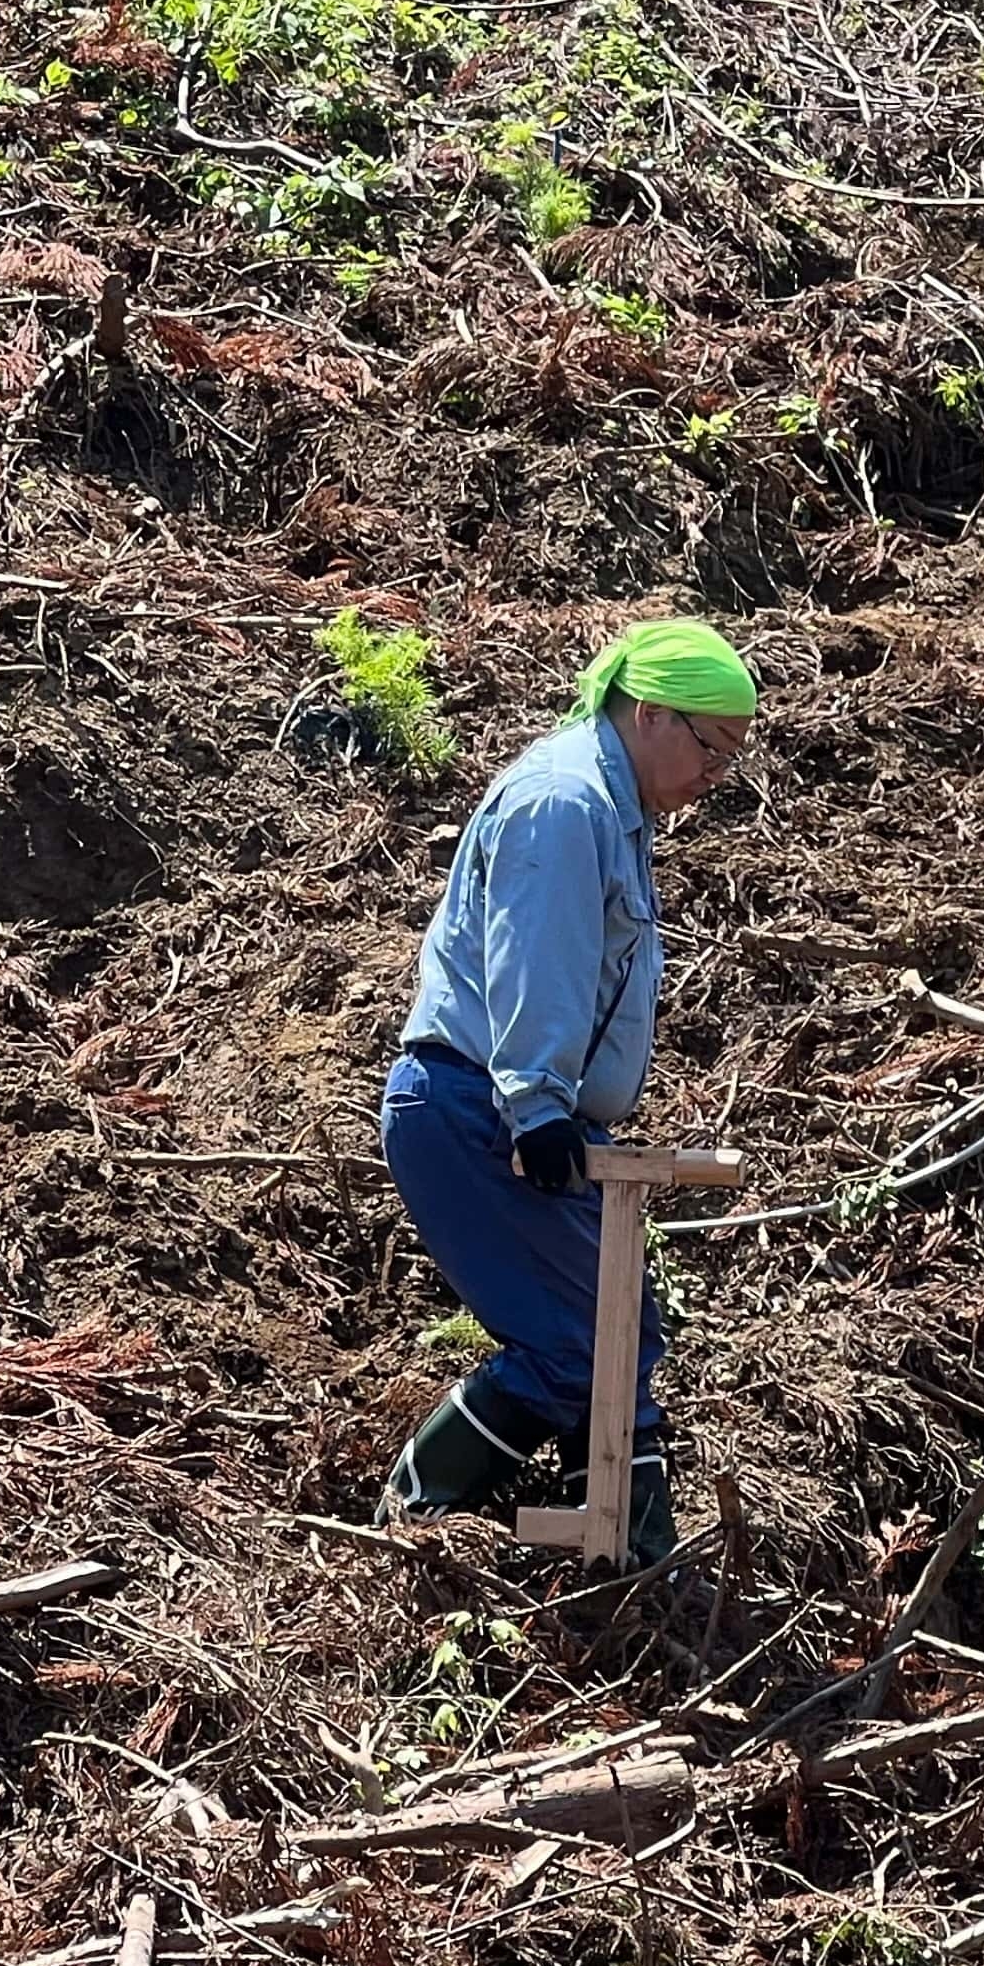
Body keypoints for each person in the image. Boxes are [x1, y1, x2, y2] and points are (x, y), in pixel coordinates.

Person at [375, 619, 759, 1571]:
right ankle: (418, 1522)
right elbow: (535, 962)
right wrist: (540, 1104)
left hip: (508, 1107)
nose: (715, 778)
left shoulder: (612, 814)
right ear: (649, 712)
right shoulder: (564, 802)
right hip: (478, 1111)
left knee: (619, 1331)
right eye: (710, 749)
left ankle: (616, 1560)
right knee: (584, 1340)